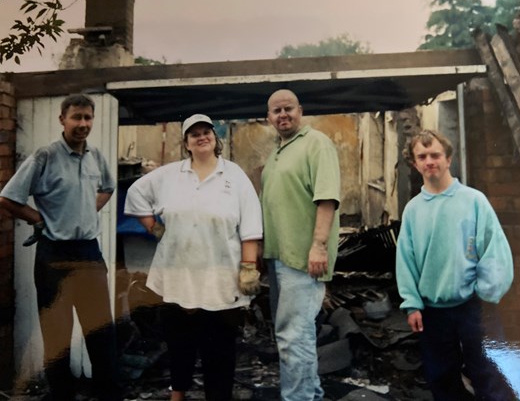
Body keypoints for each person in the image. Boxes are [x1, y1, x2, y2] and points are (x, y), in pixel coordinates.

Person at [124, 113, 262, 401]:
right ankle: (178, 394)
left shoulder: (234, 176)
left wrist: (248, 267)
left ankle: (218, 395)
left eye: (206, 131)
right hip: (178, 276)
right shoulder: (170, 175)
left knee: (220, 347)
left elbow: (251, 224)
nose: (201, 137)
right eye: (194, 133)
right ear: (186, 142)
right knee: (179, 342)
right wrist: (153, 227)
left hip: (220, 280)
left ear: (215, 137)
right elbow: (136, 193)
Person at [0, 94, 120, 401]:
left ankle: (107, 395)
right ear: (62, 120)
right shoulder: (45, 156)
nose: (83, 124)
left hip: (89, 256)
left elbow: (107, 187)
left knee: (101, 334)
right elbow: (8, 197)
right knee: (58, 335)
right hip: (54, 256)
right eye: (76, 117)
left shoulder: (96, 155)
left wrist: (87, 210)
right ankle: (63, 396)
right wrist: (38, 218)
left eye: (88, 118)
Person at [396, 129, 516, 400]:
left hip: (474, 307)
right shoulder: (413, 211)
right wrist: (412, 303)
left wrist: (485, 292)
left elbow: (494, 251)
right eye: (422, 156)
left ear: (448, 159)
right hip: (433, 311)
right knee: (442, 376)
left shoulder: (473, 201)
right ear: (415, 164)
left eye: (436, 154)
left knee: (489, 371)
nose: (430, 161)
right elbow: (406, 260)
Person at [261, 89, 340, 401]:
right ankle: (310, 394)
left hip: (302, 258)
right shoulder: (278, 151)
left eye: (288, 108)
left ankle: (298, 397)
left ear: (300, 110)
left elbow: (327, 198)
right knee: (293, 335)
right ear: (268, 117)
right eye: (276, 110)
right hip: (279, 257)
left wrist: (318, 245)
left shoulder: (316, 143)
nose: (283, 115)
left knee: (294, 336)